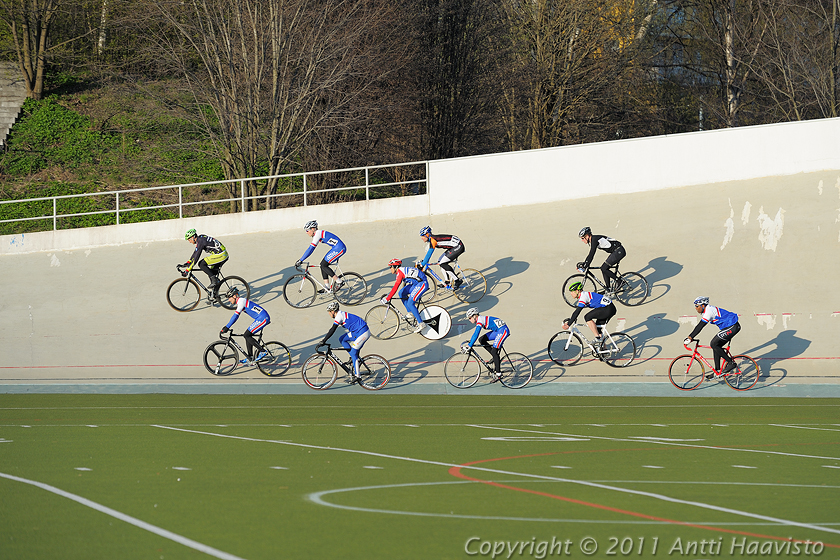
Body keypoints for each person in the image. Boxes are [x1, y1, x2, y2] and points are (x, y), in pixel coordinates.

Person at [684, 296, 740, 377]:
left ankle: (731, 363)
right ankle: (717, 371)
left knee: (713, 343)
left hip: (733, 326)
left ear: (703, 305)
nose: (696, 308)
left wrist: (690, 337)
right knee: (716, 346)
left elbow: (700, 326)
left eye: (697, 306)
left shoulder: (709, 311)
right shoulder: (707, 311)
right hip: (730, 326)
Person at [320, 301, 371, 384]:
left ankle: (358, 376)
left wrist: (323, 341)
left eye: (329, 312)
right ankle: (353, 357)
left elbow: (332, 329)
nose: (329, 314)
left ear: (333, 311)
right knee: (342, 339)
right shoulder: (340, 314)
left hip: (363, 333)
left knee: (354, 352)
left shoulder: (339, 316)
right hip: (357, 332)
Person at [220, 287, 270, 364]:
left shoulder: (241, 301)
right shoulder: (241, 301)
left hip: (263, 318)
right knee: (246, 335)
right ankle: (250, 357)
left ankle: (262, 351)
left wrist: (227, 327)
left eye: (229, 298)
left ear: (234, 296)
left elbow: (235, 316)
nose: (228, 300)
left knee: (247, 335)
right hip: (260, 318)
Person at [295, 220, 346, 293]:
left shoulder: (318, 234)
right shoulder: (318, 234)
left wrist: (301, 260)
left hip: (339, 248)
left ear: (313, 229)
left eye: (307, 230)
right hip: (336, 248)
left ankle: (339, 281)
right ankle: (327, 287)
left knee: (324, 265)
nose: (306, 232)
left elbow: (310, 249)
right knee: (322, 265)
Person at [381, 258, 428, 333]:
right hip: (416, 284)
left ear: (395, 267)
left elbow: (395, 287)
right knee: (401, 293)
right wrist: (388, 295)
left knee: (410, 303)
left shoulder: (400, 273)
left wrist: (387, 298)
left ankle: (421, 323)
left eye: (391, 267)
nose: (390, 269)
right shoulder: (400, 271)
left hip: (422, 284)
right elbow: (395, 288)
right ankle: (411, 312)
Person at [463, 307, 509, 382]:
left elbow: (476, 333)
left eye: (470, 318)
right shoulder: (480, 319)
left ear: (474, 316)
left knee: (494, 352)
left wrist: (470, 345)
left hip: (503, 331)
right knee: (481, 340)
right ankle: (495, 357)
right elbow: (476, 335)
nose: (469, 320)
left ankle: (498, 374)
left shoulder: (480, 320)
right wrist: (471, 342)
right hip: (498, 330)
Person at [577, 226, 625, 292]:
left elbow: (591, 254)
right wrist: (585, 263)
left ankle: (620, 281)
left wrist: (585, 265)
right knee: (603, 268)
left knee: (604, 268)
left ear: (587, 236)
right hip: (617, 251)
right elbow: (590, 255)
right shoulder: (594, 239)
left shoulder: (594, 239)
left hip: (619, 251)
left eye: (582, 238)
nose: (582, 240)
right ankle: (608, 289)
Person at [182, 229, 228, 295]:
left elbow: (197, 257)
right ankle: (215, 295)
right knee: (211, 273)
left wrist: (187, 270)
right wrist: (188, 262)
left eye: (189, 240)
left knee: (201, 264)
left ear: (193, 237)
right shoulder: (200, 238)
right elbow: (195, 252)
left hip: (221, 254)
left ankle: (215, 281)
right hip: (221, 254)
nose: (189, 242)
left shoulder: (201, 241)